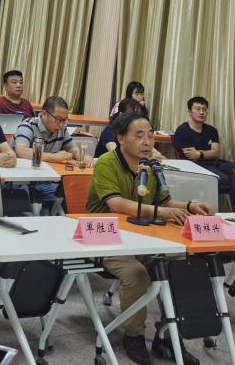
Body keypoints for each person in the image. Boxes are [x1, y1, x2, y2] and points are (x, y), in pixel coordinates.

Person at [87, 113, 210, 365]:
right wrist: (160, 212)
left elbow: (164, 201)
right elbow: (116, 204)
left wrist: (189, 206)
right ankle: (134, 336)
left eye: (150, 135)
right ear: (121, 138)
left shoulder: (150, 166)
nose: (147, 142)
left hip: (142, 238)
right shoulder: (107, 163)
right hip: (106, 238)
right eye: (139, 135)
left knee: (180, 265)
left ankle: (169, 335)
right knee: (136, 273)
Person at [173, 96, 235, 207]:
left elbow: (216, 153)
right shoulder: (182, 130)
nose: (202, 112)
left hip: (214, 163)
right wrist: (207, 153)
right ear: (190, 111)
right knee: (229, 181)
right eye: (198, 109)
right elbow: (191, 156)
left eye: (204, 109)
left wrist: (200, 153)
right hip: (195, 166)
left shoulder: (211, 130)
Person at [13, 96, 80, 206]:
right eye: (58, 119)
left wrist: (84, 157)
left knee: (73, 194)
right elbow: (21, 151)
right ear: (44, 114)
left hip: (48, 182)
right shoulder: (28, 125)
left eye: (64, 120)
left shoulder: (62, 129)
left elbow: (74, 150)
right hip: (22, 183)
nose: (61, 124)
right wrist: (54, 157)